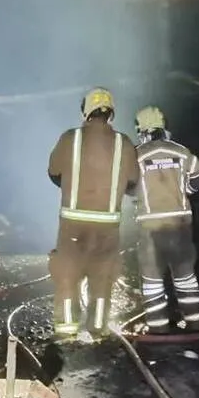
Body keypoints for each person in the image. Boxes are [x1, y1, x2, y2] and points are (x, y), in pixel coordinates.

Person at [47, 87, 139, 341]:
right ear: (111, 114)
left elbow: (54, 172)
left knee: (67, 275)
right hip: (107, 228)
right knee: (102, 276)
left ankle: (66, 332)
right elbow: (133, 183)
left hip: (72, 225)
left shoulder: (70, 138)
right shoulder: (124, 143)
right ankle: (98, 330)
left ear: (85, 112)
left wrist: (73, 186)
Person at [132, 105, 199, 335]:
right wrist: (185, 190)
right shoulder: (181, 152)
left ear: (141, 130)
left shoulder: (136, 155)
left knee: (152, 279)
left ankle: (158, 329)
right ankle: (196, 324)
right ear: (163, 128)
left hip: (150, 228)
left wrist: (139, 194)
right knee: (185, 276)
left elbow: (126, 184)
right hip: (180, 226)